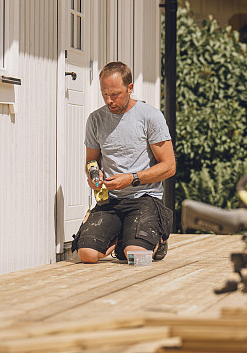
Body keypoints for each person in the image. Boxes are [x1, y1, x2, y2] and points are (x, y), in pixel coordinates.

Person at [73, 61, 176, 264]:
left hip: (145, 197)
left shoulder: (150, 117)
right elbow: (91, 161)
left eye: (115, 94)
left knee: (138, 258)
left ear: (130, 88)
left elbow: (169, 167)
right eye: (105, 94)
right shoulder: (95, 120)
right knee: (86, 255)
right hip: (110, 200)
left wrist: (131, 179)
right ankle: (124, 233)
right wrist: (93, 176)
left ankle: (158, 239)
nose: (109, 100)